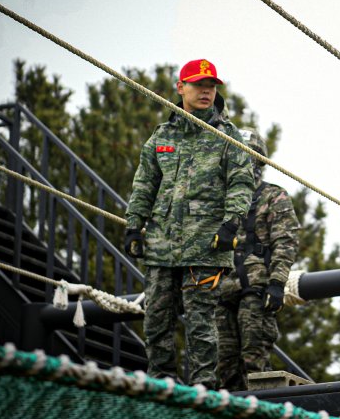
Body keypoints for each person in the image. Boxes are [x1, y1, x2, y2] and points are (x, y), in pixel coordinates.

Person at [124, 58, 254, 388]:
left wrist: (231, 223)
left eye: (211, 86)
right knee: (156, 321)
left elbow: (241, 182)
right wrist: (133, 224)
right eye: (198, 85)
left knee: (201, 324)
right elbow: (145, 183)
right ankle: (161, 389)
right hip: (161, 245)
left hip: (206, 246)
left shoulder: (228, 136)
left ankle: (202, 393)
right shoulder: (162, 136)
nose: (206, 91)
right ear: (181, 88)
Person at [217, 127, 300, 390]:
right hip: (220, 289)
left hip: (255, 288)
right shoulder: (219, 200)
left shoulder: (273, 196)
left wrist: (276, 283)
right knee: (222, 366)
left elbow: (286, 242)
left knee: (254, 361)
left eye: (248, 155)